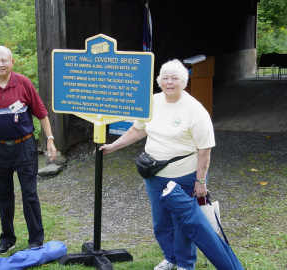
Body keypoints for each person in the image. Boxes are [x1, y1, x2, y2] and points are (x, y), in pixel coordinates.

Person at [100, 59, 243, 270]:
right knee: (161, 223)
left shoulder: (195, 110)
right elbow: (138, 130)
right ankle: (171, 258)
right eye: (165, 78)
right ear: (159, 80)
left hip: (185, 176)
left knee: (184, 224)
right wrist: (114, 146)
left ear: (184, 81)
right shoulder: (152, 102)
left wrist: (200, 181)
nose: (169, 82)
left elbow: (204, 150)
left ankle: (185, 264)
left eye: (174, 78)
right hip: (155, 175)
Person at [0, 46, 57, 254]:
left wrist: (50, 140)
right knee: (3, 196)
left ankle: (36, 239)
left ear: (12, 62)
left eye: (5, 60)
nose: (1, 64)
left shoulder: (24, 84)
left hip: (25, 147)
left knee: (29, 194)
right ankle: (7, 239)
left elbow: (42, 113)